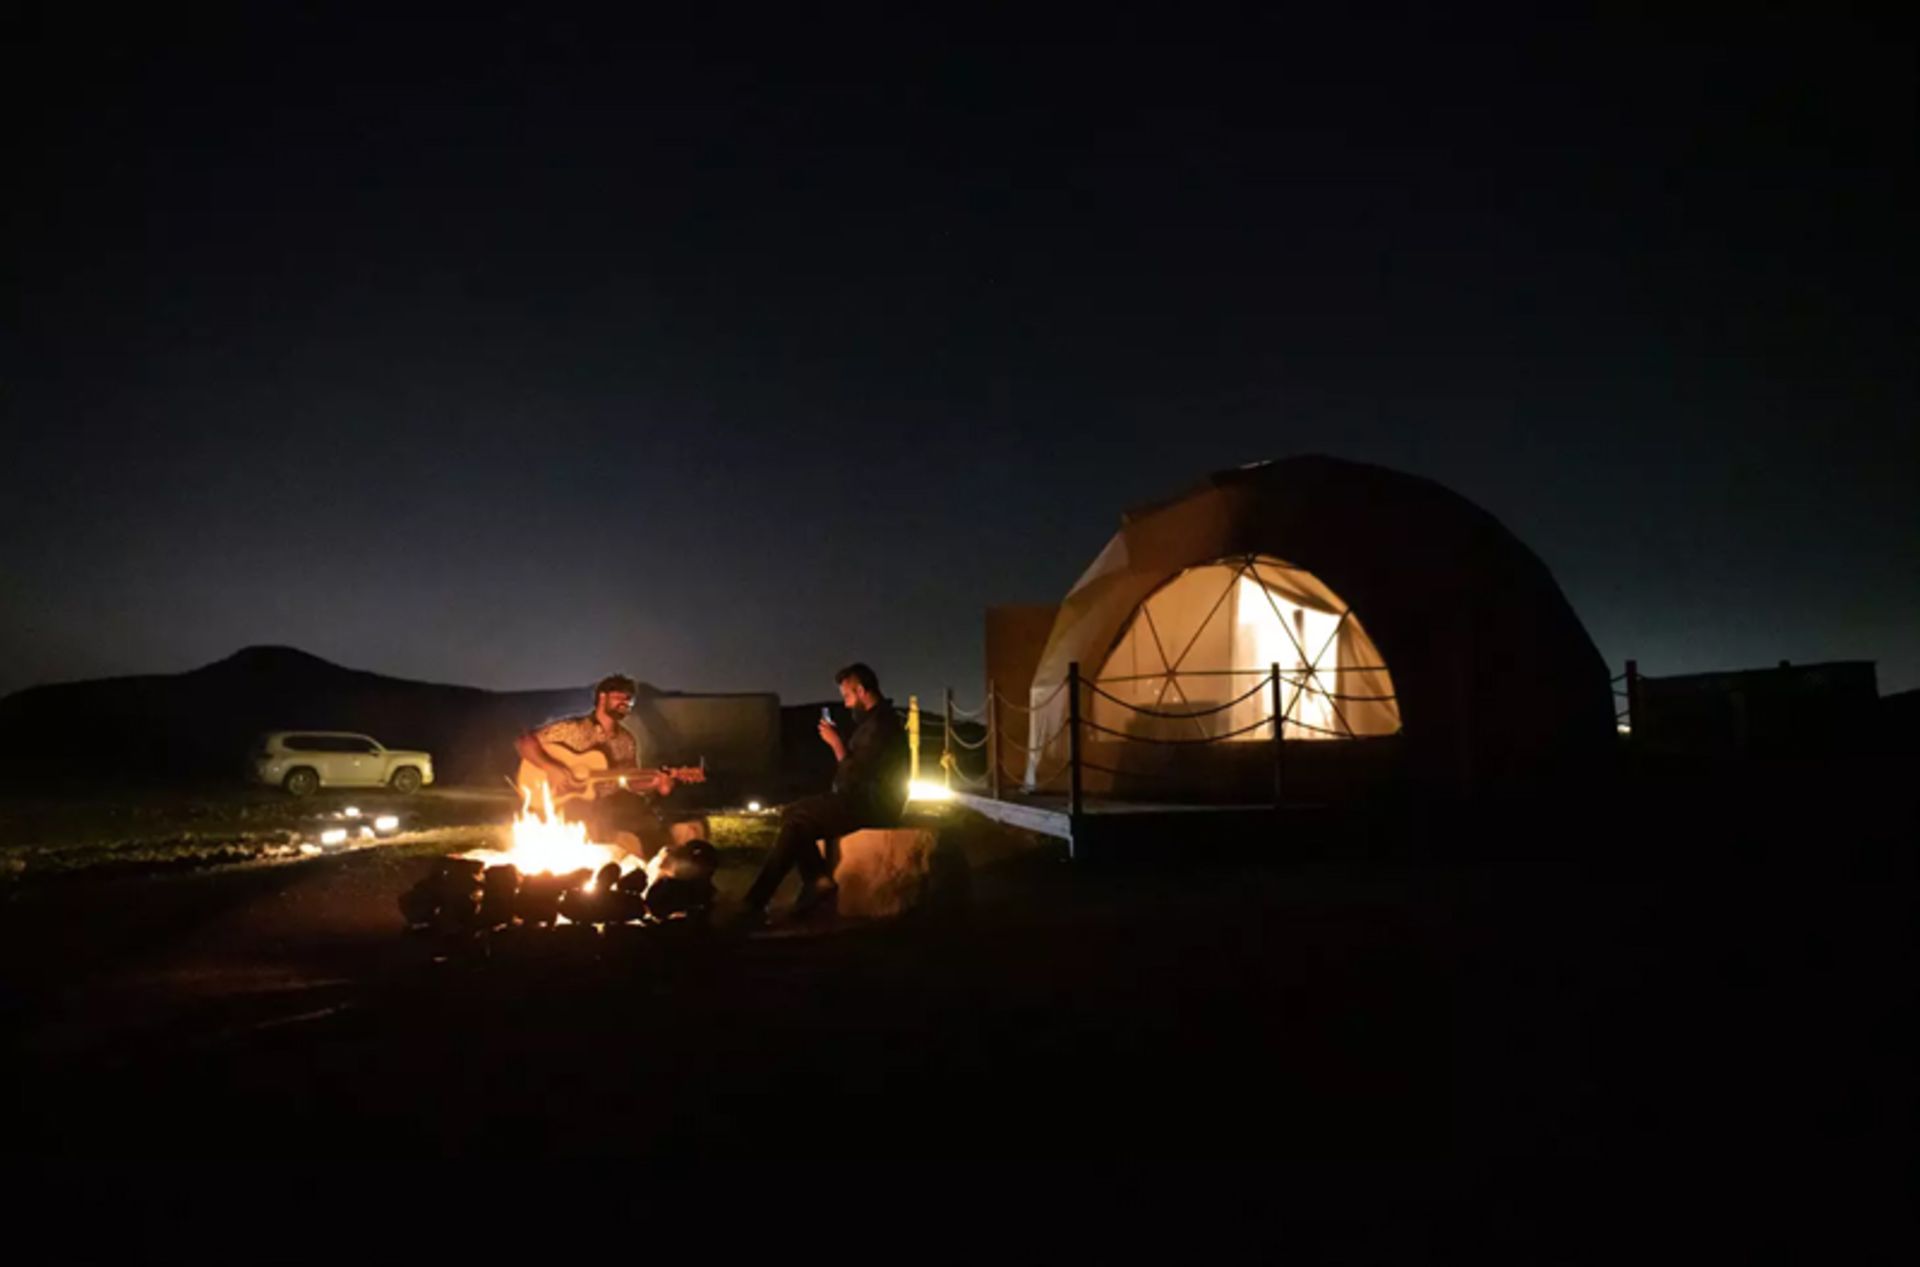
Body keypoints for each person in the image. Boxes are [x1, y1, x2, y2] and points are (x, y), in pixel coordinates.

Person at [740, 662, 910, 922]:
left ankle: (771, 896)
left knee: (795, 817)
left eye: (848, 696)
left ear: (861, 691)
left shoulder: (881, 725)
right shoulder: (875, 722)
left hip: (872, 804)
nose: (847, 704)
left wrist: (836, 744)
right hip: (864, 799)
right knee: (794, 818)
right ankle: (809, 883)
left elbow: (857, 774)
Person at [515, 673, 678, 859]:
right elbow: (524, 743)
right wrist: (552, 768)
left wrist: (654, 783)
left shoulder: (626, 740)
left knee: (648, 821)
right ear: (602, 697)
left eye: (629, 699)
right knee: (586, 821)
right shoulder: (572, 729)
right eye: (619, 697)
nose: (625, 703)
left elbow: (630, 779)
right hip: (572, 803)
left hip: (611, 802)